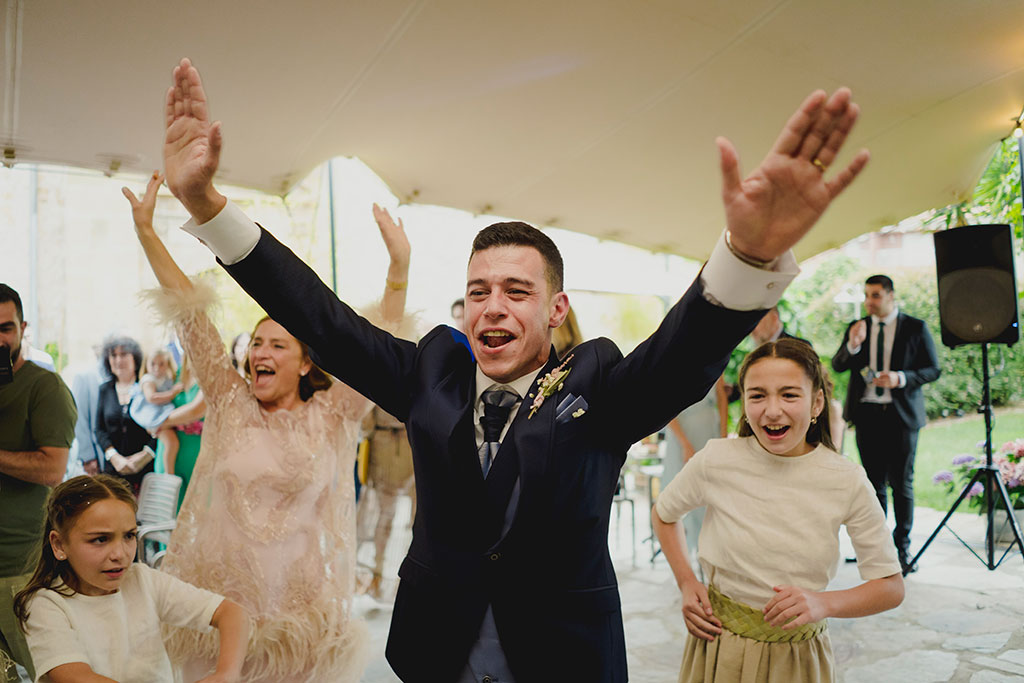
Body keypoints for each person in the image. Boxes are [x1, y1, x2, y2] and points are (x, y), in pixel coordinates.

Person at [161, 57, 868, 681]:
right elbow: (324, 320)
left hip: (561, 657)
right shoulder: (429, 371)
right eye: (478, 291)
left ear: (556, 308)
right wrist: (208, 208)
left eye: (516, 291)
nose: (492, 307)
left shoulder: (596, 383)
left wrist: (745, 260)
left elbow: (679, 359)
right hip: (437, 652)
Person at [123, 171, 411, 682]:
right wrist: (146, 231)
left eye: (278, 345)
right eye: (257, 343)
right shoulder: (232, 403)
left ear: (305, 363)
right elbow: (192, 317)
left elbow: (379, 350)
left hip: (299, 619)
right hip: (219, 614)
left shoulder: (334, 415)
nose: (261, 352)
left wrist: (398, 268)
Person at [653, 339, 904, 682]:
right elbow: (665, 514)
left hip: (798, 660)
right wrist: (686, 581)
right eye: (757, 395)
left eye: (789, 395)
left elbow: (890, 587)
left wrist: (823, 603)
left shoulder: (846, 480)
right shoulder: (716, 459)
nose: (772, 410)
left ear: (817, 403)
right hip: (719, 650)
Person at [13, 474, 248, 683]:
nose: (120, 554)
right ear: (59, 544)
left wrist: (227, 673)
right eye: (100, 539)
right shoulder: (45, 604)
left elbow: (231, 613)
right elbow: (75, 676)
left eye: (129, 536)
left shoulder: (143, 581)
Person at [831, 275, 940, 574]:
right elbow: (838, 365)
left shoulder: (915, 327)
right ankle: (876, 549)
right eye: (867, 295)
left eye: (876, 295)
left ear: (891, 295)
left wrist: (901, 378)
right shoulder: (858, 327)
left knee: (901, 485)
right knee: (873, 485)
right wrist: (853, 345)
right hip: (867, 415)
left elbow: (933, 369)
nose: (870, 302)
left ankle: (902, 550)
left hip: (901, 416)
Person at [0, 284, 77, 683]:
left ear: (22, 327)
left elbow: (52, 469)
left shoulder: (44, 388)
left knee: (49, 670)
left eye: (5, 327)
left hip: (18, 565)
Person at [357, 405, 416, 599]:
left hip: (408, 444)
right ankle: (378, 572)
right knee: (385, 515)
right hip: (386, 446)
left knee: (402, 517)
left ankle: (389, 574)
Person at [95, 336, 156, 493]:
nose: (118, 360)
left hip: (145, 472)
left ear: (135, 358)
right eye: (113, 355)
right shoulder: (105, 389)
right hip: (113, 471)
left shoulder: (148, 387)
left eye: (123, 355)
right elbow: (99, 430)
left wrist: (145, 456)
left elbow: (161, 426)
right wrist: (114, 457)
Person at [130, 348, 183, 475]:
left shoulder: (167, 378)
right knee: (171, 443)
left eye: (161, 364)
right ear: (146, 365)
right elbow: (152, 397)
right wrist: (172, 393)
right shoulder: (148, 379)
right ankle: (169, 474)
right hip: (153, 415)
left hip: (161, 413)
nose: (157, 368)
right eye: (152, 364)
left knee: (172, 443)